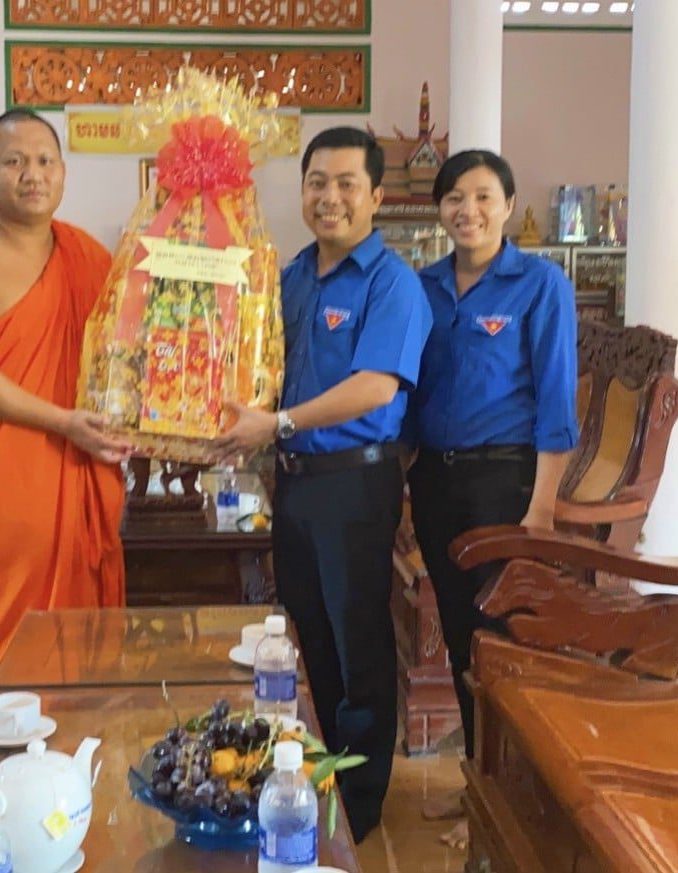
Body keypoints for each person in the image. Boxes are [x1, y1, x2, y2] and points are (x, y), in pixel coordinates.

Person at [214, 126, 432, 842]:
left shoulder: (392, 283)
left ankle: (358, 808)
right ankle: (318, 774)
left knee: (357, 640)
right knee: (309, 636)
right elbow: (262, 370)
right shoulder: (293, 276)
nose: (329, 197)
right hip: (296, 484)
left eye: (346, 184)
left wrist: (275, 423)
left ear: (376, 195)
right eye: (317, 183)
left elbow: (375, 387)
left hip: (355, 485)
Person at [0, 109, 129, 735]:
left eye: (45, 161)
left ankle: (70, 764)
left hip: (78, 468)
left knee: (76, 637)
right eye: (14, 162)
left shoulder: (88, 256)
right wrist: (66, 422)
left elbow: (125, 361)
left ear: (63, 173)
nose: (31, 174)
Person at [406, 149, 578, 846]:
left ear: (508, 205)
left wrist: (542, 507)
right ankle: (479, 785)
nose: (468, 210)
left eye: (483, 197)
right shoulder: (422, 286)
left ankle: (511, 801)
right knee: (460, 636)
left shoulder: (540, 284)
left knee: (502, 641)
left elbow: (556, 402)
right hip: (436, 481)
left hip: (505, 483)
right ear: (440, 209)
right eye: (455, 197)